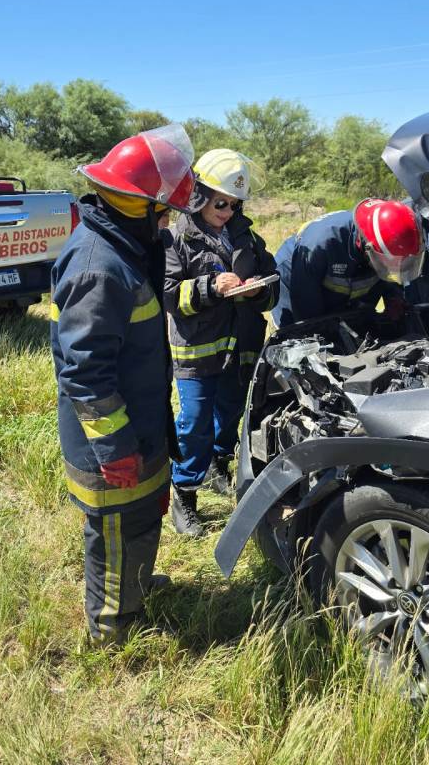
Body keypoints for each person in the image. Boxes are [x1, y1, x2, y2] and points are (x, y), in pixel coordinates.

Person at [50, 125, 195, 645]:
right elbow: (84, 371)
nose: (170, 220)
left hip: (142, 422)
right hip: (111, 441)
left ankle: (135, 587)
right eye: (165, 211)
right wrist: (113, 449)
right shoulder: (100, 269)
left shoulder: (129, 245)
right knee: (114, 531)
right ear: (139, 206)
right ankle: (112, 630)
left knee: (142, 517)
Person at [163, 149, 278, 537]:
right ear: (199, 196)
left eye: (234, 204)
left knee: (230, 412)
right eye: (220, 203)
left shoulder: (246, 236)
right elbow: (166, 294)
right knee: (194, 422)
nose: (227, 211)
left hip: (240, 345)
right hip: (196, 349)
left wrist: (256, 292)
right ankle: (185, 494)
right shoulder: (178, 236)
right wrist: (210, 288)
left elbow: (272, 281)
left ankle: (217, 465)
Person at [272, 197, 429, 328]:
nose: (395, 268)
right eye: (390, 262)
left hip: (347, 284)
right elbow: (309, 315)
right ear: (366, 246)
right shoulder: (320, 243)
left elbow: (390, 272)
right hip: (297, 286)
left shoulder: (385, 248)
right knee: (303, 344)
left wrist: (394, 298)